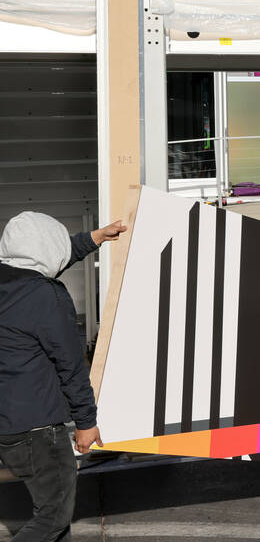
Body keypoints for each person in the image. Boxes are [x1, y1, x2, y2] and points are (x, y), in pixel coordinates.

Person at [0, 212, 126, 541]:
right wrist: (86, 422)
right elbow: (70, 365)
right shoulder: (47, 297)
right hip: (39, 431)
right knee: (53, 516)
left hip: (8, 427)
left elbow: (44, 258)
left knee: (54, 517)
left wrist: (94, 238)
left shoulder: (10, 283)